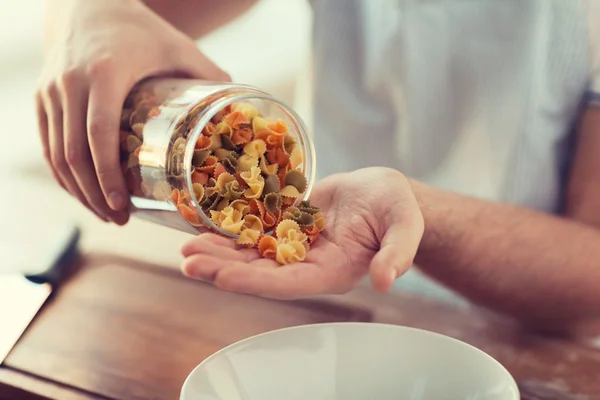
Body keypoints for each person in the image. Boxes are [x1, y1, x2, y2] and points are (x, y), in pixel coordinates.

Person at [37, 0, 600, 332]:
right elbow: (132, 15)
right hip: (322, 303)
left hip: (525, 341)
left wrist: (412, 214)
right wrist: (88, 15)